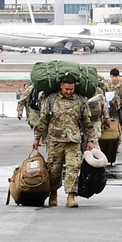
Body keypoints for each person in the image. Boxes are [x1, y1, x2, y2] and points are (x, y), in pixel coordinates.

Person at [33, 73, 96, 208]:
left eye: (71, 89)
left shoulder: (80, 101)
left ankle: (71, 196)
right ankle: (53, 193)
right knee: (54, 170)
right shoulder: (51, 100)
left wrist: (91, 139)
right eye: (66, 89)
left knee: (74, 167)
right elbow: (43, 120)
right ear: (61, 86)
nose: (68, 92)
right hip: (55, 140)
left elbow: (87, 122)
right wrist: (37, 138)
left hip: (73, 140)